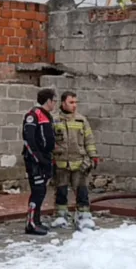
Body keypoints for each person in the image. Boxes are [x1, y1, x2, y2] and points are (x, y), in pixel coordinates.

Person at [51, 91, 99, 230]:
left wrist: (93, 156)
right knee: (61, 190)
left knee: (82, 190)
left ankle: (83, 215)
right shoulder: (54, 120)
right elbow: (49, 142)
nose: (74, 105)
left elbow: (89, 139)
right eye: (71, 102)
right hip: (60, 162)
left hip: (79, 162)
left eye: (76, 102)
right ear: (63, 103)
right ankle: (61, 215)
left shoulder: (81, 120)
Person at [22, 88, 57, 236]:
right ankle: (30, 223)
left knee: (42, 190)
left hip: (46, 158)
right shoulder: (33, 115)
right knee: (37, 191)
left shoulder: (47, 116)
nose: (55, 104)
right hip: (35, 160)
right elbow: (28, 139)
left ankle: (36, 220)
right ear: (48, 101)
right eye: (54, 101)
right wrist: (38, 159)